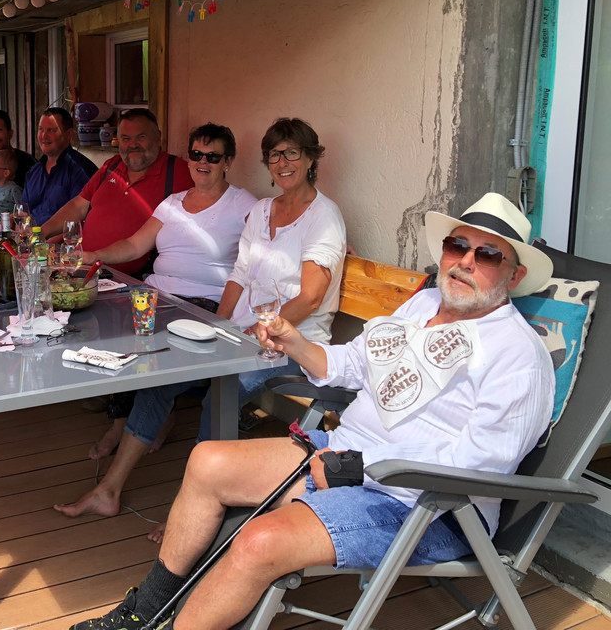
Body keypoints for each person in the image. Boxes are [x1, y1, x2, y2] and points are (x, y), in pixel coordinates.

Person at [70, 192, 556, 630]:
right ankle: (145, 612)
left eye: (487, 254)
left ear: (514, 276)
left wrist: (355, 469)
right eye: (458, 245)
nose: (466, 261)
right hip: (342, 455)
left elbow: (480, 465)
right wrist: (295, 342)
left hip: (426, 507)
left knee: (259, 542)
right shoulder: (422, 305)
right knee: (207, 462)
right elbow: (356, 362)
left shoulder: (517, 354)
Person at [55, 118, 342, 525]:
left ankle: (195, 511)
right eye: (275, 155)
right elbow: (239, 274)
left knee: (218, 396)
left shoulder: (323, 217)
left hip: (293, 342)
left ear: (311, 159)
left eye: (292, 153)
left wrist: (261, 331)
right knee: (160, 380)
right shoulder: (263, 210)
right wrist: (220, 325)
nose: (282, 163)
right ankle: (109, 490)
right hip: (244, 333)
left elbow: (310, 298)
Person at [61, 123, 255, 470]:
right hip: (155, 294)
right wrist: (93, 256)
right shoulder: (173, 202)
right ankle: (120, 420)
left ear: (228, 162)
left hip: (202, 303)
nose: (203, 162)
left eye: (213, 157)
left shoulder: (243, 204)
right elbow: (135, 244)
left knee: (143, 346)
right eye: (196, 154)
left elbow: (275, 236)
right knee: (109, 330)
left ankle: (144, 426)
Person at [40, 108, 191, 277]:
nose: (133, 144)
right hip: (82, 269)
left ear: (158, 137)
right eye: (126, 138)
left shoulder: (179, 172)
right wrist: (42, 232)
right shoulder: (111, 166)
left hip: (131, 279)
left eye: (141, 137)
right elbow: (78, 206)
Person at [22, 107, 97, 226]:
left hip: (65, 238)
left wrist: (41, 236)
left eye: (51, 130)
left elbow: (80, 222)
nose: (44, 136)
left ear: (69, 134)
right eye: (41, 129)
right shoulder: (33, 172)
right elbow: (24, 215)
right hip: (32, 236)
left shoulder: (80, 170)